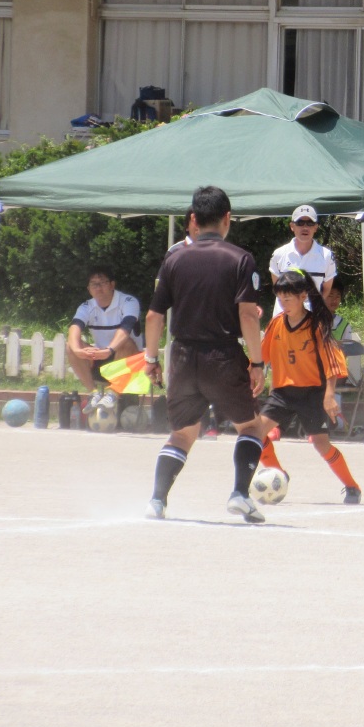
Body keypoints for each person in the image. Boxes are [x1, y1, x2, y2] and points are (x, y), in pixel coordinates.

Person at [142, 186, 268, 523]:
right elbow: (248, 315)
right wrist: (257, 362)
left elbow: (154, 316)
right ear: (228, 218)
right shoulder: (240, 259)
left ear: (194, 219)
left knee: (183, 433)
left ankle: (157, 501)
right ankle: (240, 494)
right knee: (251, 427)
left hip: (182, 357)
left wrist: (151, 360)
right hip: (222, 355)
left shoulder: (174, 259)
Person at [254, 269, 361, 504]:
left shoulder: (317, 325)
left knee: (321, 445)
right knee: (255, 435)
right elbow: (260, 357)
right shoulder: (276, 324)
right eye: (280, 298)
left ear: (303, 296)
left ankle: (352, 486)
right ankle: (279, 476)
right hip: (282, 393)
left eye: (288, 298)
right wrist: (253, 373)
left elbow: (332, 362)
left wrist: (329, 395)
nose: (283, 303)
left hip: (312, 393)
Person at [66, 266, 143, 415]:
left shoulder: (128, 301)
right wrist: (77, 350)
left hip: (130, 361)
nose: (98, 287)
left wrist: (110, 350)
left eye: (102, 283)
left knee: (126, 343)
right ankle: (93, 393)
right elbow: (74, 327)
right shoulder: (86, 306)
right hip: (102, 357)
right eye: (93, 284)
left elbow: (126, 329)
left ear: (112, 285)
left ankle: (112, 394)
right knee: (71, 346)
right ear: (88, 288)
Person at [268, 205, 336, 315]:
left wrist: (316, 307)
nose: (305, 227)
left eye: (310, 223)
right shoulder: (278, 254)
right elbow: (277, 288)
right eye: (300, 223)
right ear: (292, 226)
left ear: (316, 227)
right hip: (283, 316)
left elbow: (327, 288)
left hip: (312, 317)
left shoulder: (327, 256)